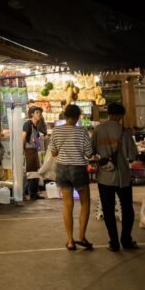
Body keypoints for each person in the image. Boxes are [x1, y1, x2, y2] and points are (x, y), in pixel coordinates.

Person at [93, 103, 138, 251]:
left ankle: (114, 242)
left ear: (108, 113)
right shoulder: (124, 132)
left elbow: (92, 151)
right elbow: (132, 155)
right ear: (120, 116)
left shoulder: (98, 130)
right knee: (127, 209)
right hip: (122, 177)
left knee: (108, 209)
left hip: (104, 176)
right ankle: (126, 239)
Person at [50, 105, 95, 250]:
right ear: (77, 117)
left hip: (62, 168)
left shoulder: (56, 131)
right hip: (78, 169)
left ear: (65, 115)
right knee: (85, 202)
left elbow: (54, 153)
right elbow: (89, 154)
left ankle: (70, 241)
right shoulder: (82, 131)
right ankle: (81, 237)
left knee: (67, 205)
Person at [22, 106, 47, 200]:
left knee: (35, 173)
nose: (39, 114)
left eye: (40, 112)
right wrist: (22, 150)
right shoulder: (28, 124)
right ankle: (23, 194)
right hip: (29, 151)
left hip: (34, 151)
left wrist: (40, 151)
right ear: (31, 114)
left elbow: (36, 141)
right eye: (37, 112)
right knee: (29, 174)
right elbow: (23, 137)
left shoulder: (36, 125)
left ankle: (33, 193)